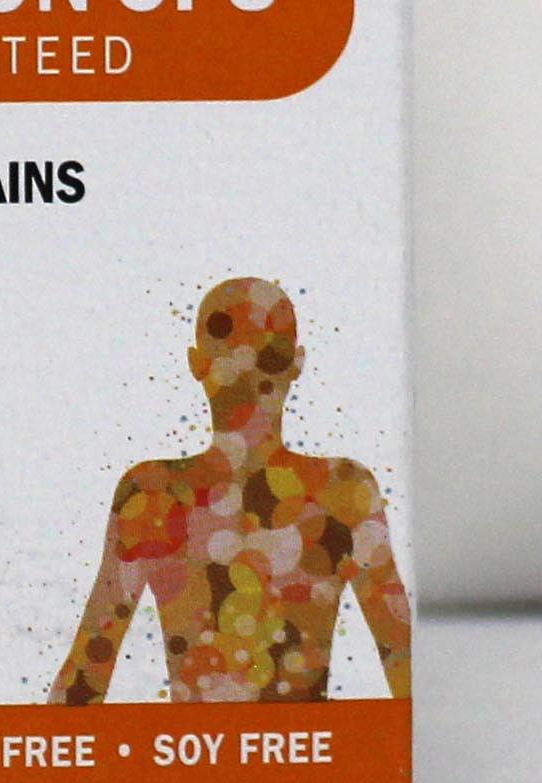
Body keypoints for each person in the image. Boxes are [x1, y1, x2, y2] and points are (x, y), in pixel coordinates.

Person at [49, 277, 411, 704]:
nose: (247, 365)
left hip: (204, 747)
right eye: (233, 352)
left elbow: (84, 676)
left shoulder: (153, 496)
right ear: (296, 364)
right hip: (291, 745)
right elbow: (404, 660)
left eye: (264, 354)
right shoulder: (342, 491)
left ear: (198, 363)